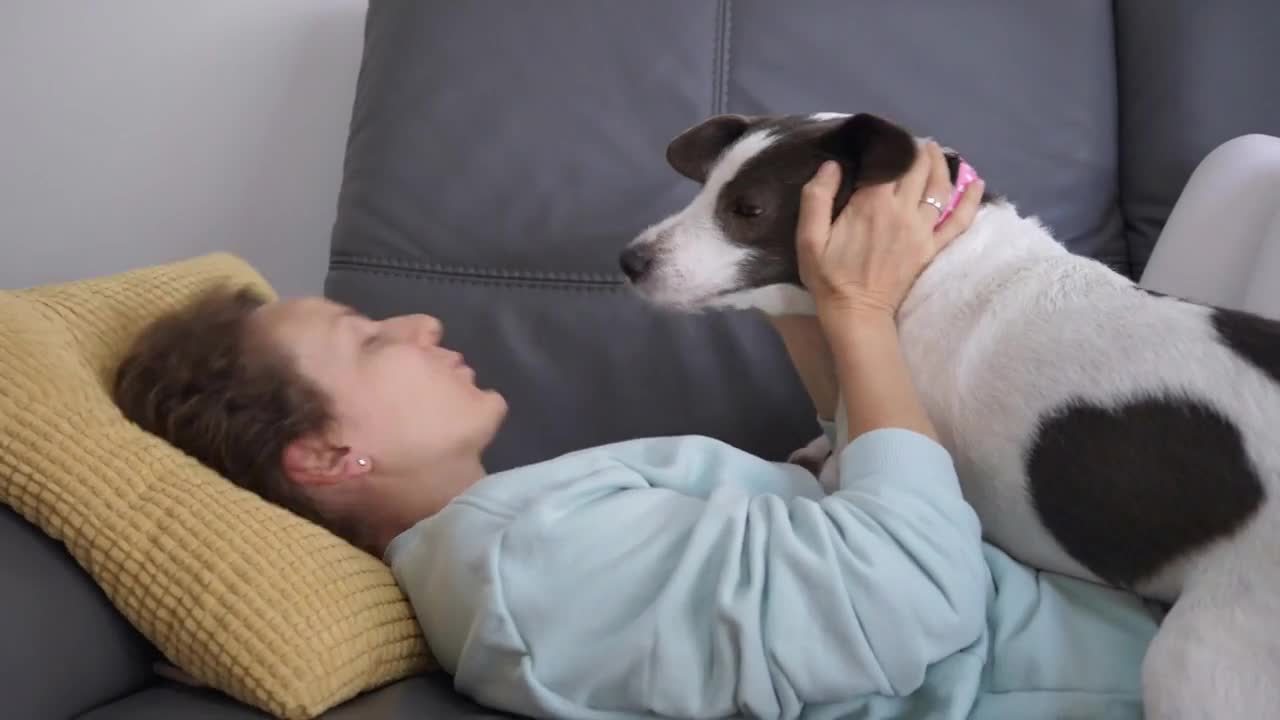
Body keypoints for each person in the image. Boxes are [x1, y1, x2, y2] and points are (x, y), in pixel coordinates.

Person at [112, 142, 1161, 719]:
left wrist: (803, 293)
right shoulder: (522, 571)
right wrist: (858, 314)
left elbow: (849, 512)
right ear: (329, 457)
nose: (419, 319)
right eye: (367, 336)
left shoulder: (522, 529)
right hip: (1135, 678)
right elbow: (909, 591)